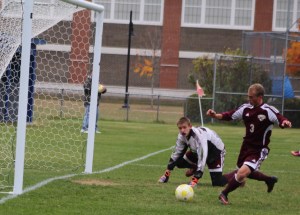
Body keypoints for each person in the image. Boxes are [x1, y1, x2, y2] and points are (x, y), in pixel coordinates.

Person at [206, 83, 292, 205]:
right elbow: (229, 115)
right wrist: (215, 115)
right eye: (248, 96)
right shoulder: (246, 108)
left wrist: (285, 123)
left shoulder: (268, 110)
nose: (249, 99)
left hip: (259, 149)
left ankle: (224, 193)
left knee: (241, 173)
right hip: (246, 147)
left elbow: (280, 119)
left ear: (260, 96)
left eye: (252, 97)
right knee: (245, 171)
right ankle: (269, 180)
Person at [158, 116, 228, 187]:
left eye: (184, 127)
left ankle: (237, 175)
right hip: (197, 152)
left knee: (218, 183)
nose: (182, 130)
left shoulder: (198, 137)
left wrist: (195, 179)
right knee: (179, 162)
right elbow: (176, 154)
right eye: (180, 128)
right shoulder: (181, 136)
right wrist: (166, 174)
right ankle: (195, 167)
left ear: (190, 126)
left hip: (215, 153)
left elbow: (202, 156)